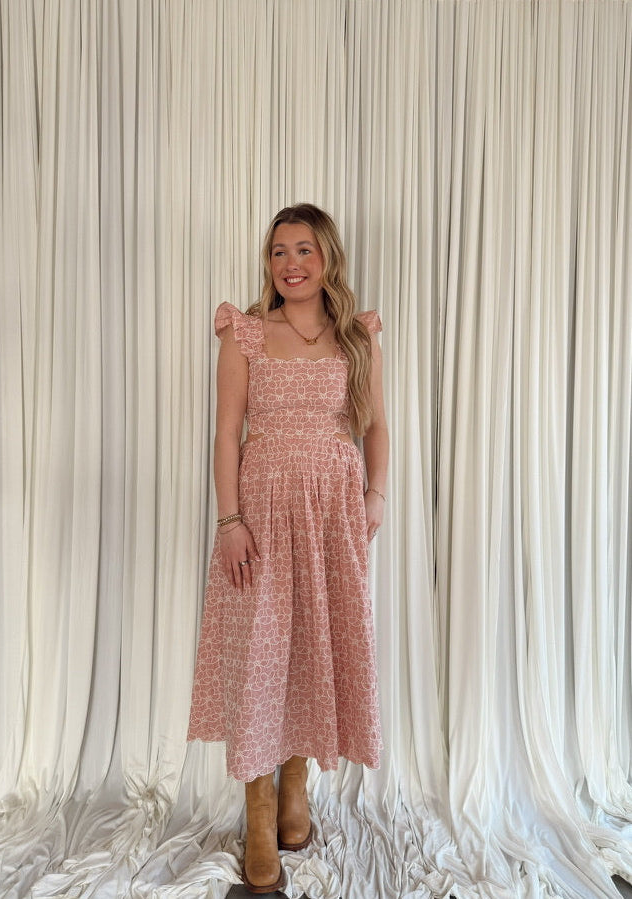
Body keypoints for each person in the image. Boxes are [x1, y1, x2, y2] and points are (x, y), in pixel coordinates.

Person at [187, 203, 388, 894]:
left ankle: (296, 779)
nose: (290, 263)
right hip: (263, 512)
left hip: (333, 514)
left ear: (327, 257)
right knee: (256, 651)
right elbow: (225, 434)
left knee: (311, 644)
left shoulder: (357, 336)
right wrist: (229, 519)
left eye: (303, 249)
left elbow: (376, 427)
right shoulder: (244, 333)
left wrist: (377, 494)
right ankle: (257, 803)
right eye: (278, 251)